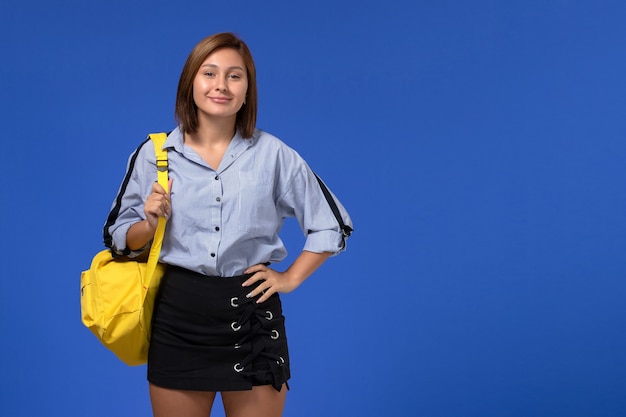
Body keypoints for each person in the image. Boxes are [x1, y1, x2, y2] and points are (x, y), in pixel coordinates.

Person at [104, 32, 352, 417]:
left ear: (247, 90)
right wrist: (150, 223)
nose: (221, 85)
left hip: (253, 317)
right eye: (209, 73)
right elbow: (119, 238)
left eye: (234, 76)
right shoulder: (153, 155)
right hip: (178, 319)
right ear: (190, 83)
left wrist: (289, 279)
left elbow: (332, 225)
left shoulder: (274, 155)